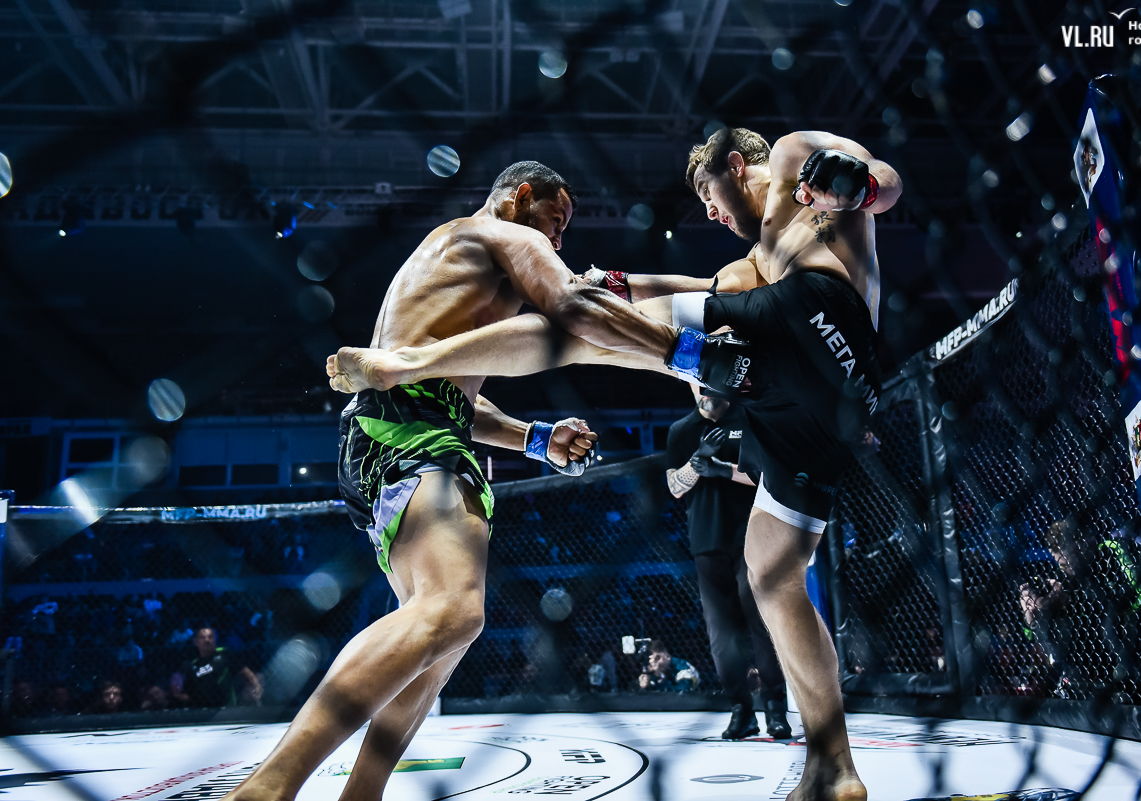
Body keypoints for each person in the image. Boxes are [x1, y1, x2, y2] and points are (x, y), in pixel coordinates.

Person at [327, 128, 898, 801]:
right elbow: (712, 289)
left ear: (734, 164)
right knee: (772, 573)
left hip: (814, 320)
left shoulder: (795, 158)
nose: (709, 212)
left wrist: (858, 184)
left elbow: (885, 182)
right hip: (829, 405)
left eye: (708, 194)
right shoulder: (760, 257)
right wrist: (622, 284)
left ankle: (405, 364)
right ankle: (834, 766)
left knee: (580, 331)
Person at [223, 160, 754, 801]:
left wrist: (534, 437)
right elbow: (574, 309)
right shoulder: (498, 234)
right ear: (520, 197)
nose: (557, 238)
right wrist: (692, 353)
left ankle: (361, 794)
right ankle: (268, 788)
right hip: (406, 435)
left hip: (404, 431)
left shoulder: (458, 269)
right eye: (556, 219)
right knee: (449, 611)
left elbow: (453, 397)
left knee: (439, 635)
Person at [667, 385, 791, 740]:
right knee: (722, 635)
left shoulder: (747, 418)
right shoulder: (682, 430)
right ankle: (741, 710)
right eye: (698, 384)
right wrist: (696, 462)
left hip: (751, 536)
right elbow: (675, 487)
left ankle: (775, 708)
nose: (704, 391)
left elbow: (766, 475)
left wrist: (722, 469)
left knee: (761, 623)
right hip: (707, 541)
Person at [172, 626, 262, 708]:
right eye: (203, 637)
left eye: (210, 637)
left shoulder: (224, 654)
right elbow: (191, 696)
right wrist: (179, 696)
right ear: (196, 642)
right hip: (202, 710)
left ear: (215, 640)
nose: (207, 640)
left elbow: (245, 670)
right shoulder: (193, 665)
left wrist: (256, 684)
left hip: (226, 708)